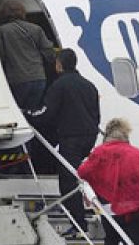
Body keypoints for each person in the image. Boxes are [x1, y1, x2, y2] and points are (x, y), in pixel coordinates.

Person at [78, 118, 139, 245]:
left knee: (111, 237)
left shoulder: (101, 151)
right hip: (136, 207)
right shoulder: (137, 153)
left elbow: (82, 172)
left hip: (110, 205)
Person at [31, 49, 99, 230]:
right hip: (89, 137)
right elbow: (96, 115)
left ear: (59, 64)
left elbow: (47, 113)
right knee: (74, 172)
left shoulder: (60, 85)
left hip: (71, 138)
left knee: (68, 181)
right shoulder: (89, 85)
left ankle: (78, 224)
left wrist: (27, 116)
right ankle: (82, 215)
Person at [0, 0, 54, 110]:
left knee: (19, 111)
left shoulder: (2, 31)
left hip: (17, 79)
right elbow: (48, 52)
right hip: (39, 77)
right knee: (33, 110)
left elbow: (0, 56)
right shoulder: (36, 28)